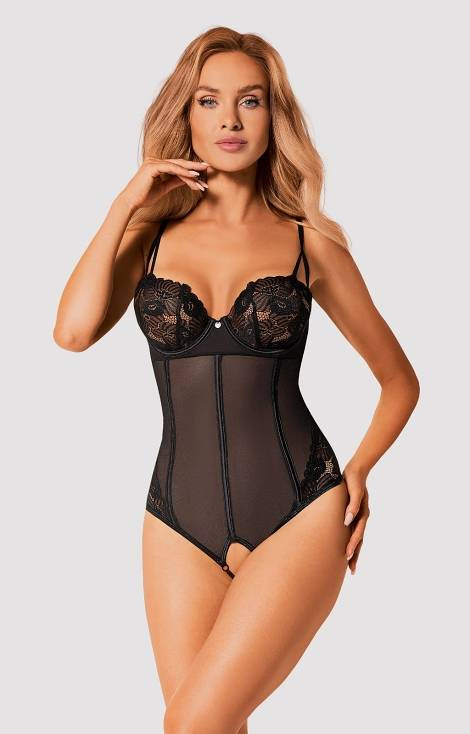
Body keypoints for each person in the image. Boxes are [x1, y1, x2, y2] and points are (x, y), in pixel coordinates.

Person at [53, 26, 420, 734]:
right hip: (175, 519)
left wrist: (361, 470)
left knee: (191, 724)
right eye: (209, 101)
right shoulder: (147, 241)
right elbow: (71, 333)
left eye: (250, 101)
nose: (229, 119)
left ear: (273, 116)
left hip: (301, 508)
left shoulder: (310, 244)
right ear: (185, 116)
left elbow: (399, 381)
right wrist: (125, 203)